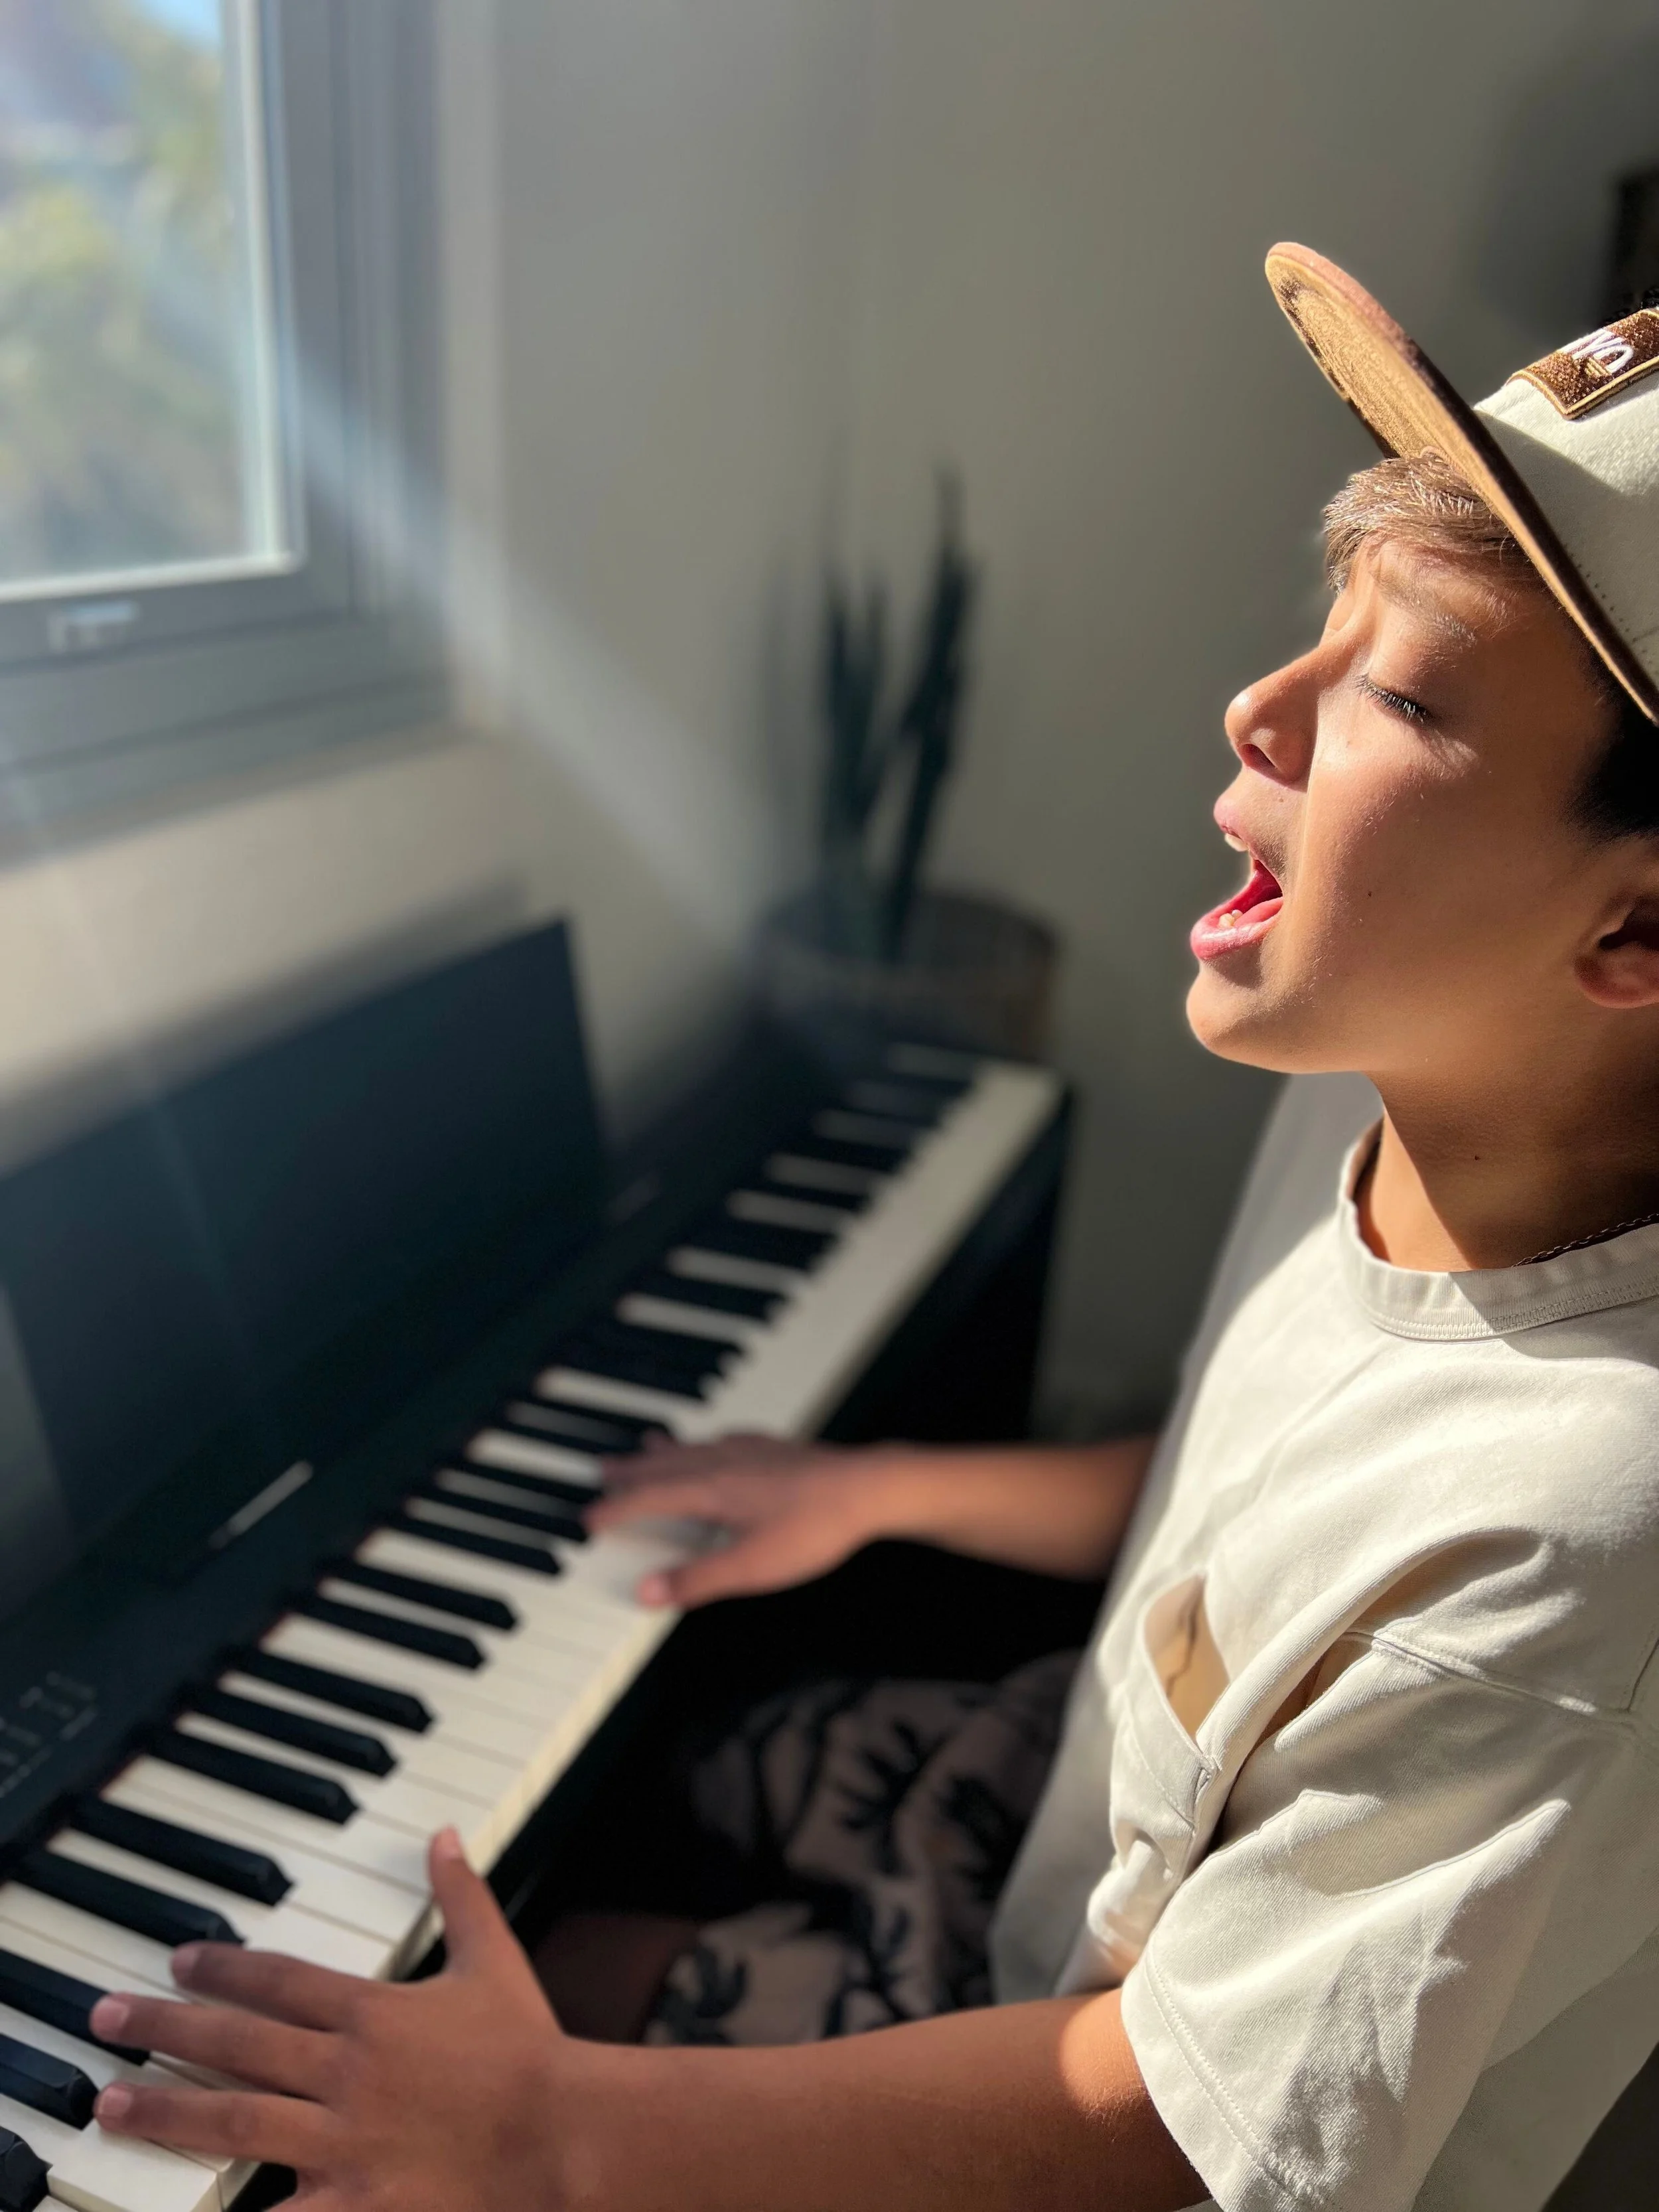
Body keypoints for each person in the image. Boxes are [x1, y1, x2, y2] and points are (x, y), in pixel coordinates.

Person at [88, 244, 1659, 2211]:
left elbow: (1176, 2130)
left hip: (1093, 2076)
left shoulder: (1594, 1530)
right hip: (1048, 1806)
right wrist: (884, 1482)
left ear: (1632, 927)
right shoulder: (1374, 1089)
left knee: (465, 2034)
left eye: (1401, 688)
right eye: (1319, 629)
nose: (1260, 705)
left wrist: (548, 2125)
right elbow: (1254, 1515)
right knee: (604, 1803)